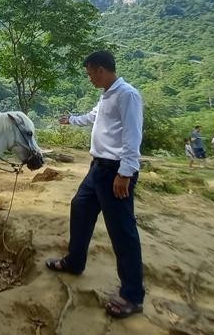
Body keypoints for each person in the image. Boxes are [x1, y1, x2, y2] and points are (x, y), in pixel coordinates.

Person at [45, 50, 145, 320]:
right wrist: (71, 120)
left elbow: (133, 136)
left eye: (90, 73)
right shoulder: (106, 95)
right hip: (97, 168)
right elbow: (93, 117)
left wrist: (125, 173)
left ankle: (132, 295)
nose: (89, 78)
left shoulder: (127, 95)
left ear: (101, 70)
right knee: (80, 207)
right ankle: (75, 261)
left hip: (115, 171)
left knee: (121, 230)